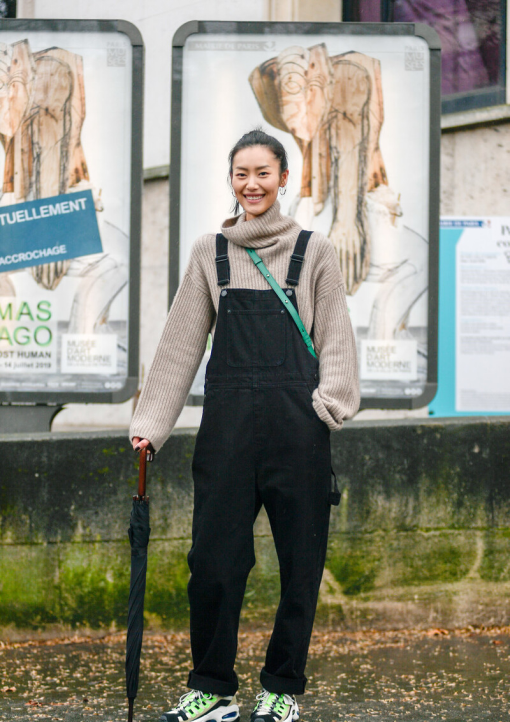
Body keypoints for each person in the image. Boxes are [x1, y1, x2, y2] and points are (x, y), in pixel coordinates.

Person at [130, 129, 360, 722]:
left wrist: (331, 404)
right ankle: (211, 687)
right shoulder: (212, 252)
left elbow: (336, 336)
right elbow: (181, 343)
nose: (251, 184)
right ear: (231, 182)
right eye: (241, 174)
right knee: (212, 562)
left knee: (300, 565)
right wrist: (151, 424)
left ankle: (281, 688)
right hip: (227, 433)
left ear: (284, 179)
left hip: (297, 433)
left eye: (263, 172)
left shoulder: (316, 250)